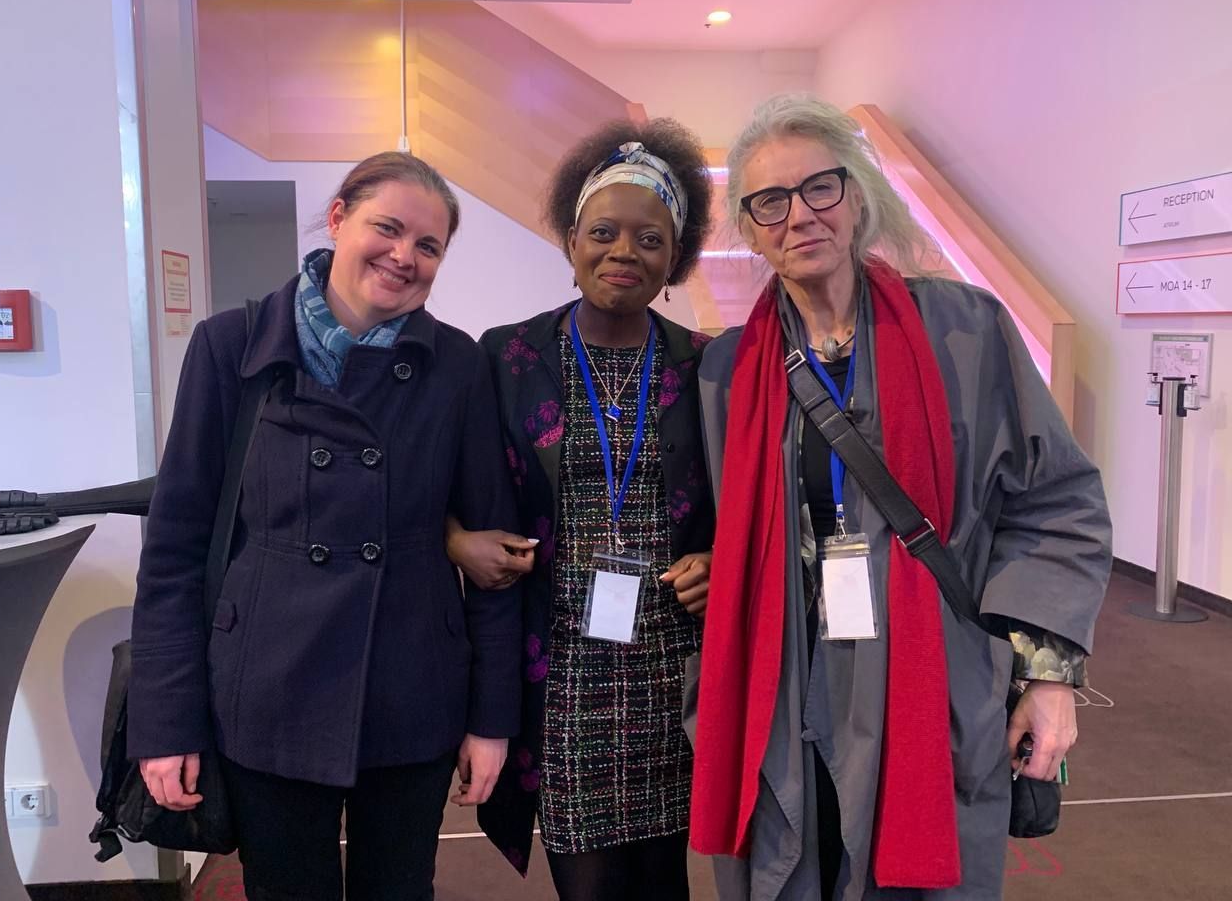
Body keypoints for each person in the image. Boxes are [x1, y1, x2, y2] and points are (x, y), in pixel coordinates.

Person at [689, 94, 1112, 900]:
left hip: (932, 676)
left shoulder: (965, 331)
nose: (799, 216)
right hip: (785, 679)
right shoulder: (728, 371)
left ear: (856, 196)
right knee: (793, 864)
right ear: (749, 226)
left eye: (819, 187)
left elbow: (1055, 502)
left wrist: (1050, 677)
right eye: (770, 201)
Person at [128, 152, 522, 901]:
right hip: (268, 687)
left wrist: (491, 718)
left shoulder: (457, 366)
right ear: (339, 218)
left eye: (429, 245)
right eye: (387, 228)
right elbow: (175, 547)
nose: (404, 256)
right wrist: (166, 720)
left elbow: (497, 558)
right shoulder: (231, 346)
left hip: (412, 685)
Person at [448, 119, 717, 901]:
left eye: (650, 239)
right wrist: (457, 540)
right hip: (563, 669)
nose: (624, 252)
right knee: (588, 884)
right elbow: (442, 487)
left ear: (675, 258)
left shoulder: (706, 365)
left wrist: (720, 560)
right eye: (603, 232)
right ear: (571, 242)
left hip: (671, 669)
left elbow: (749, 504)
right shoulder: (508, 357)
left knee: (665, 881)